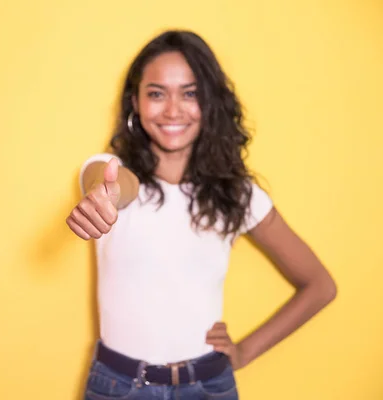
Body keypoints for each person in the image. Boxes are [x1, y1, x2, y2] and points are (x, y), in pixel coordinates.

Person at [66, 30, 337, 400]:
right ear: (136, 102)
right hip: (119, 386)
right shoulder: (109, 170)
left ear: (209, 103)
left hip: (209, 387)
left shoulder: (238, 194)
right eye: (157, 93)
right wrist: (105, 197)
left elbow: (320, 285)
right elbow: (113, 184)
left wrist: (243, 352)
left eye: (190, 93)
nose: (173, 110)